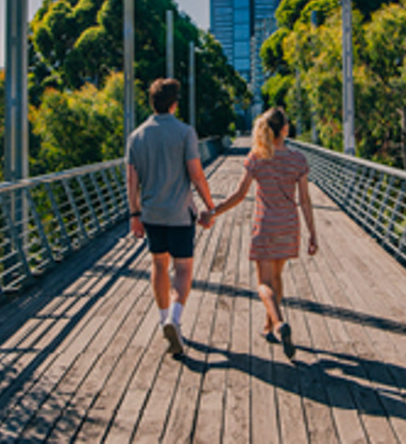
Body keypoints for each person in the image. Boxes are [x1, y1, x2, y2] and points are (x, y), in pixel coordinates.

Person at [199, 107, 317, 359]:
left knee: (264, 283)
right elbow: (305, 201)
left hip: (265, 225)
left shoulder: (257, 157)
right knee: (277, 277)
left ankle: (278, 323)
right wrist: (313, 234)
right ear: (284, 129)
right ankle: (269, 326)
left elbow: (240, 195)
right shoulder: (298, 160)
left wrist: (213, 211)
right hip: (289, 225)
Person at [126, 78, 216, 356]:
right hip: (179, 213)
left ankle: (163, 316)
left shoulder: (137, 136)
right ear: (175, 104)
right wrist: (209, 205)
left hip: (151, 214)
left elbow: (132, 180)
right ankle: (174, 319)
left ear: (152, 103)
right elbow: (196, 174)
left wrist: (134, 214)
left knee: (158, 265)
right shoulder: (185, 132)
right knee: (184, 268)